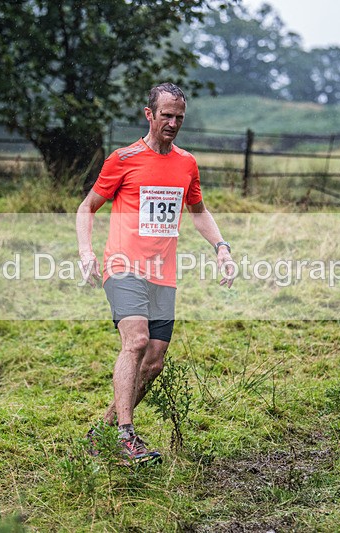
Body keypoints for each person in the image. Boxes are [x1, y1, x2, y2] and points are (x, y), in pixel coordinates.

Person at [75, 82, 235, 465]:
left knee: (154, 361)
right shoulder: (123, 158)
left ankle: (103, 434)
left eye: (179, 117)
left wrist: (222, 248)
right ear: (149, 114)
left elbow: (198, 211)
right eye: (166, 115)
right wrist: (86, 252)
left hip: (162, 273)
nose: (173, 123)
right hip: (123, 266)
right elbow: (87, 207)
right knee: (136, 341)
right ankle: (127, 437)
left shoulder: (186, 163)